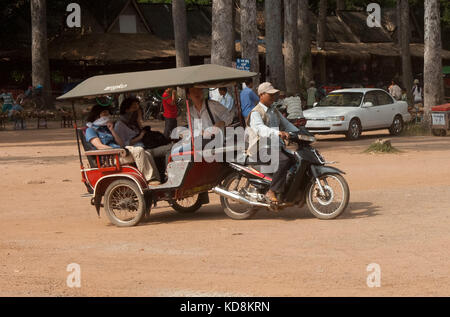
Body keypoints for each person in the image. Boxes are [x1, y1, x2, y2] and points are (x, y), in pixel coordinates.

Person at [85, 104, 161, 186]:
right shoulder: (90, 130)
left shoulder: (106, 128)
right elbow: (99, 146)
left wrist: (112, 130)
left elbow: (121, 144)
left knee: (147, 153)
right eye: (104, 113)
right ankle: (148, 179)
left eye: (108, 113)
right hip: (109, 158)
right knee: (139, 151)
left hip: (120, 152)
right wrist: (116, 150)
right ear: (97, 116)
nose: (107, 116)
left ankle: (156, 179)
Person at [247, 82, 293, 204]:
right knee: (283, 160)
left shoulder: (274, 110)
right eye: (270, 95)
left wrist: (301, 133)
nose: (273, 97)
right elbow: (261, 129)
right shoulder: (256, 112)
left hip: (275, 147)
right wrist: (277, 133)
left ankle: (284, 191)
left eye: (274, 95)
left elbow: (287, 124)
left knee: (294, 159)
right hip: (261, 149)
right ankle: (272, 191)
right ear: (261, 95)